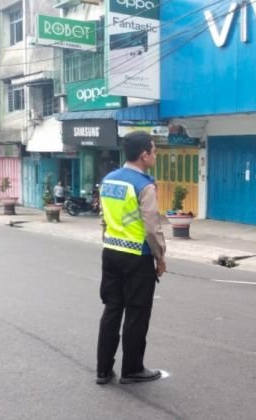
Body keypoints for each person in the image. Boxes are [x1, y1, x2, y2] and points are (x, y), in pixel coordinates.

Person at [96, 132, 166, 385]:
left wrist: (111, 239)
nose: (155, 156)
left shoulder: (108, 181)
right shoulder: (144, 185)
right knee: (136, 313)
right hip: (137, 256)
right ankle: (132, 369)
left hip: (111, 252)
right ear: (144, 155)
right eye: (154, 151)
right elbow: (151, 226)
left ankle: (103, 370)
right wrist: (160, 256)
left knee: (112, 310)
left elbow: (105, 219)